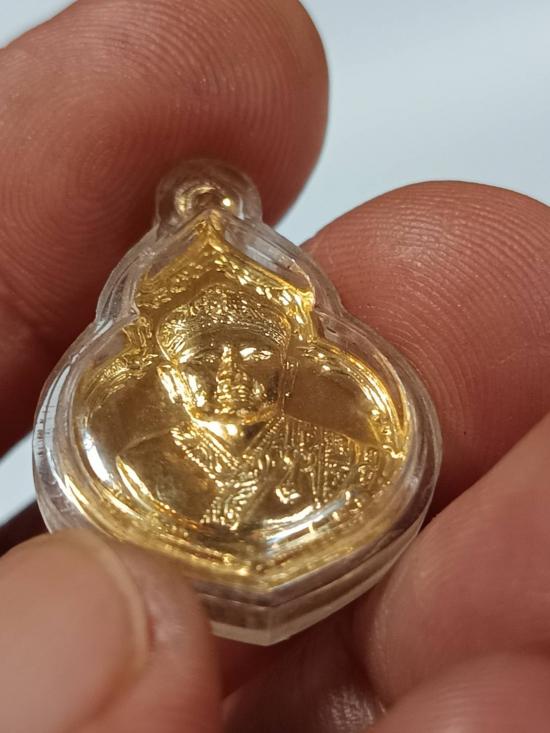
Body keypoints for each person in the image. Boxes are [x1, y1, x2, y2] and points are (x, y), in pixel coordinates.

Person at [0, 1, 549, 731]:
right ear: (166, 370)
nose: (229, 370)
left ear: (290, 361)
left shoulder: (340, 459)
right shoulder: (139, 463)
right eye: (203, 357)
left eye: (253, 350)